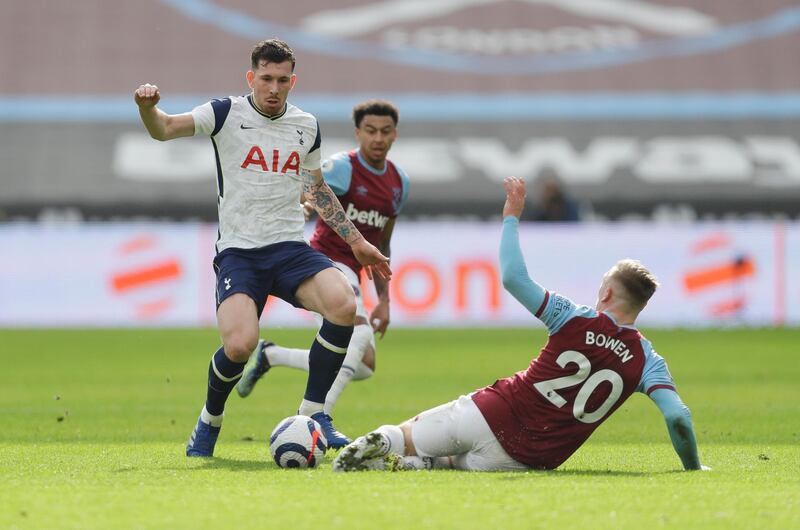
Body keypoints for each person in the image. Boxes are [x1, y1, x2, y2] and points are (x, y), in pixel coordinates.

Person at [333, 176, 709, 472]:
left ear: (608, 294)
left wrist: (511, 216)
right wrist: (693, 467)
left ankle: (385, 443)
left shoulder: (574, 318)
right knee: (443, 463)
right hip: (530, 458)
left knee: (408, 434)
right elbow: (677, 415)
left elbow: (513, 277)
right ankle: (410, 461)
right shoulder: (647, 360)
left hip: (495, 412)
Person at [133, 38, 391, 457]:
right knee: (239, 345)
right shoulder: (224, 113)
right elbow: (164, 129)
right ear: (251, 77)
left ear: (293, 81)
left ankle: (314, 414)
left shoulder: (306, 125)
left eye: (282, 80)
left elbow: (316, 187)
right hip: (240, 252)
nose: (273, 88)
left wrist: (357, 241)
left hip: (290, 247)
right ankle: (210, 419)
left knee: (344, 306)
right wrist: (147, 108)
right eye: (266, 79)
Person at [236, 100, 408, 446]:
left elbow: (381, 244)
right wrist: (300, 205)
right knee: (357, 339)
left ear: (394, 135)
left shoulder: (397, 183)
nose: (377, 138)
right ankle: (316, 419)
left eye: (385, 132)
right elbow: (308, 189)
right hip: (323, 263)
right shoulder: (342, 167)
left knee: (364, 365)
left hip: (355, 270)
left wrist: (385, 300)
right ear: (358, 133)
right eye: (370, 131)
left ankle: (272, 355)